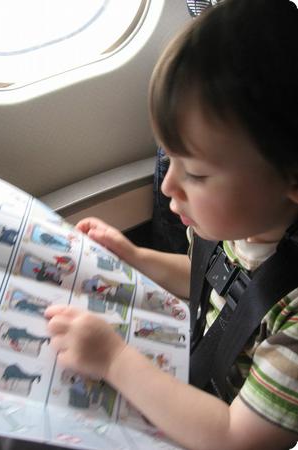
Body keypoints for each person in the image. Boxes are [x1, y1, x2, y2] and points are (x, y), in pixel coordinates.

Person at [45, 0, 298, 449]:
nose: (168, 186)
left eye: (196, 174)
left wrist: (114, 359)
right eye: (171, 160)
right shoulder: (239, 225)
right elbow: (207, 280)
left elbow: (235, 437)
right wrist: (134, 257)